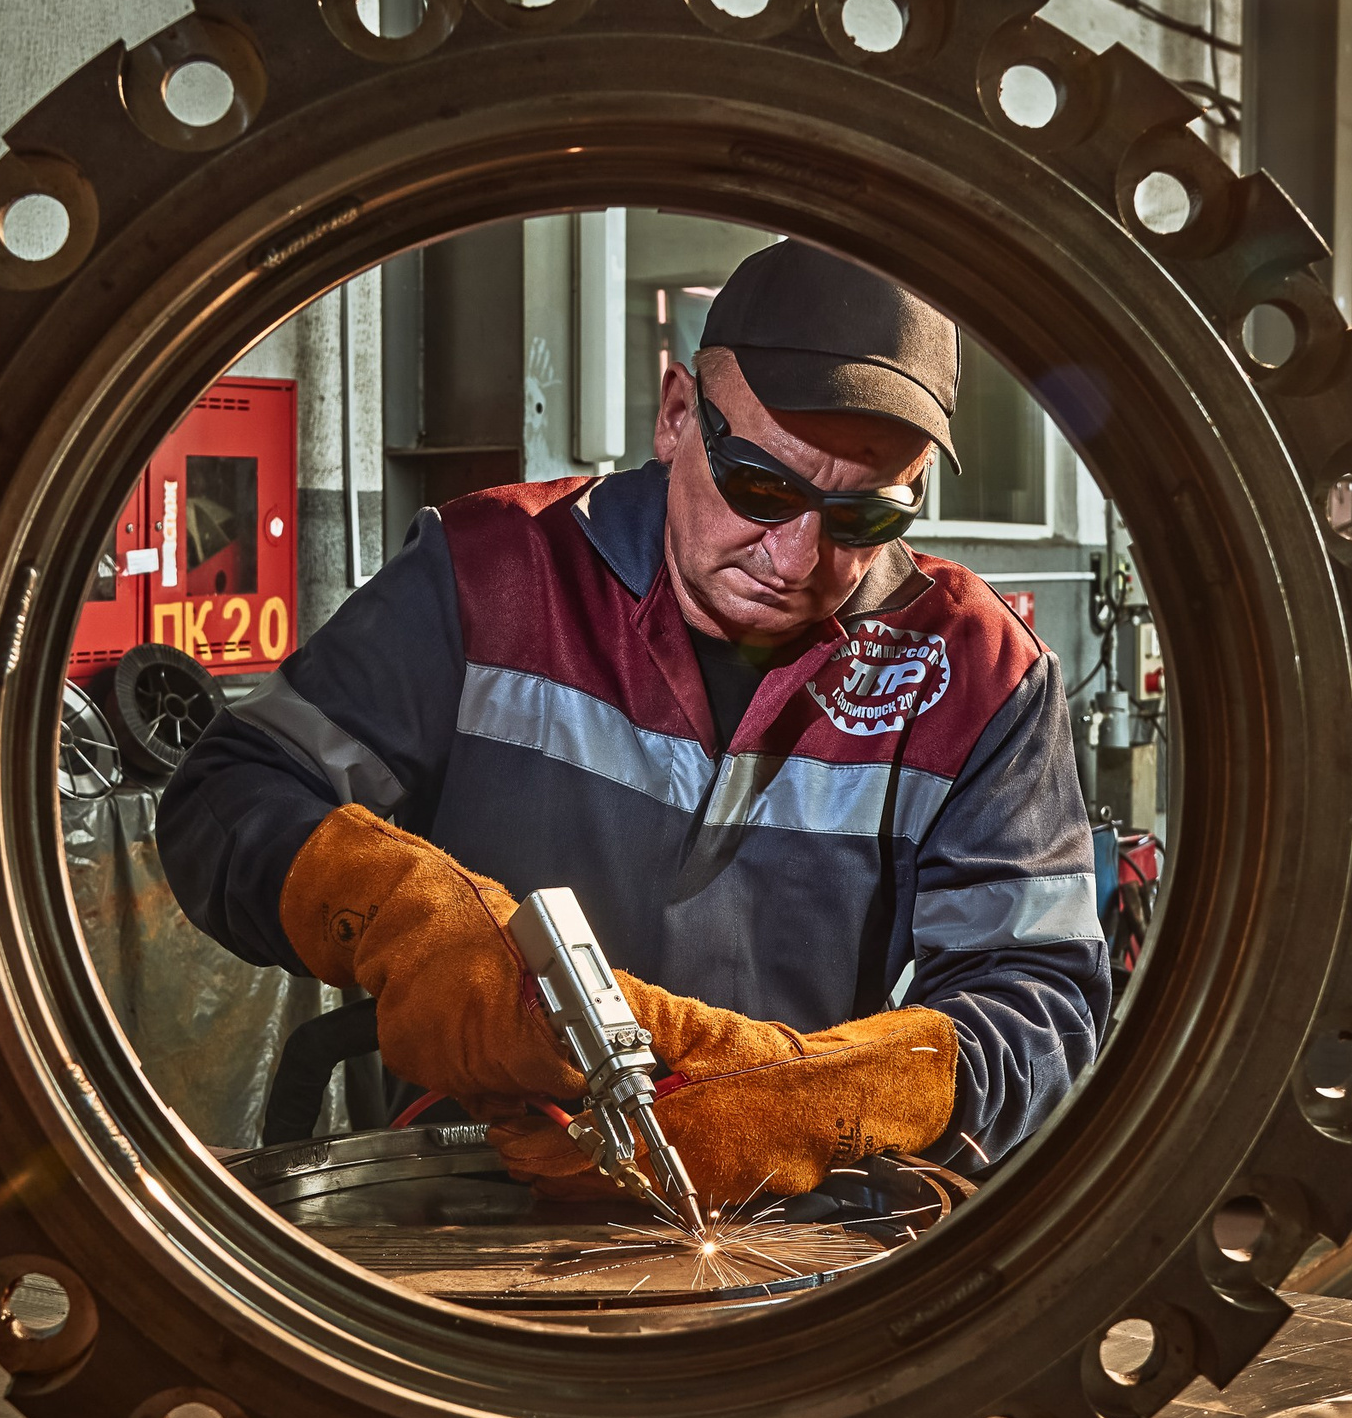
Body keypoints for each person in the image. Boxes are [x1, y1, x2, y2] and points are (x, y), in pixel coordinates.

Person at [157, 240, 1107, 1205]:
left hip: (781, 1226)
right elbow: (226, 795)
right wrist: (405, 918)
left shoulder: (977, 672)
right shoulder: (490, 573)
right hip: (478, 1199)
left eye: (863, 518)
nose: (795, 558)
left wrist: (812, 1105)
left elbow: (1039, 999)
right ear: (678, 414)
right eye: (762, 488)